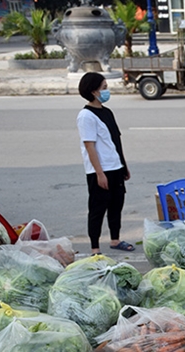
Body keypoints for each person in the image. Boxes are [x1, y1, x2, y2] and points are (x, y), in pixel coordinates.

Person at [77, 72, 133, 255]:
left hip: (115, 167)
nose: (107, 91)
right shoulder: (86, 116)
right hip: (100, 170)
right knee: (97, 209)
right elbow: (89, 146)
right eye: (104, 88)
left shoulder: (107, 112)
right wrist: (99, 173)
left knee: (116, 206)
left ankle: (115, 240)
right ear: (94, 91)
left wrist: (123, 165)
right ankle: (95, 249)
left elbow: (115, 141)